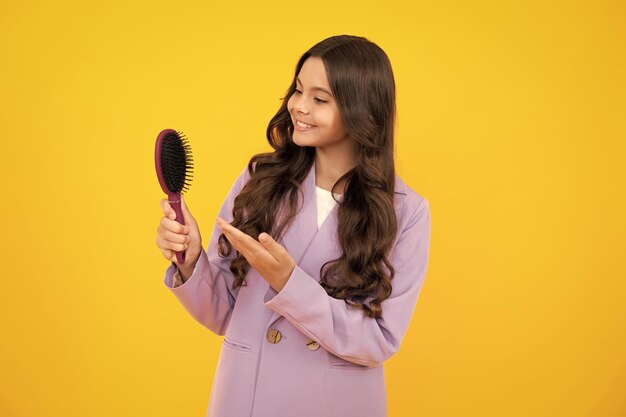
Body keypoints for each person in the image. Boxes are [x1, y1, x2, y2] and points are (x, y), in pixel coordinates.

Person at [155, 34, 431, 417]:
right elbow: (222, 312)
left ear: (361, 108)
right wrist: (190, 261)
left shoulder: (406, 212)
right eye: (298, 91)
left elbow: (379, 340)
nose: (298, 107)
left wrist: (290, 283)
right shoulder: (262, 179)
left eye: (320, 99)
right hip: (245, 397)